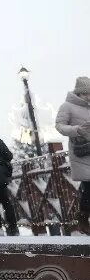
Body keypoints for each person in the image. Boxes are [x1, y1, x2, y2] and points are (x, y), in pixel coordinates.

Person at [55, 76, 90, 235]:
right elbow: (59, 126)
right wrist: (77, 130)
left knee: (87, 188)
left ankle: (82, 218)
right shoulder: (67, 106)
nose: (88, 97)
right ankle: (82, 219)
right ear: (79, 93)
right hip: (81, 152)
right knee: (89, 186)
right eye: (85, 94)